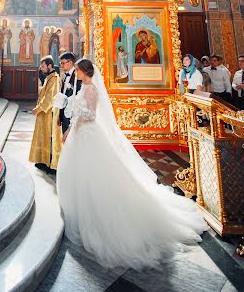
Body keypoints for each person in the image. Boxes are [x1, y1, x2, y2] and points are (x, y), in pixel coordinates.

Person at [57, 58, 207, 270]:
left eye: (79, 71)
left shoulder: (91, 90)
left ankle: (94, 214)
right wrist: (71, 127)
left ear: (84, 71)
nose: (77, 74)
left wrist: (76, 118)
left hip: (88, 133)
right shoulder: (84, 87)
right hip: (80, 133)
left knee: (93, 174)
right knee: (79, 173)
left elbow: (90, 114)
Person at [29, 56, 62, 172]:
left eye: (43, 66)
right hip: (44, 114)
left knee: (49, 137)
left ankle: (50, 164)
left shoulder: (54, 79)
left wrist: (37, 109)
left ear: (49, 66)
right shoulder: (49, 77)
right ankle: (43, 160)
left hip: (49, 114)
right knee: (44, 136)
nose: (41, 68)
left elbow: (49, 99)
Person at [53, 51, 82, 134]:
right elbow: (63, 95)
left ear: (70, 62)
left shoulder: (77, 76)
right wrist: (60, 116)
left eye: (63, 63)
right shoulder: (65, 75)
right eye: (60, 63)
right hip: (65, 113)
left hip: (73, 113)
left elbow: (78, 95)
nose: (61, 65)